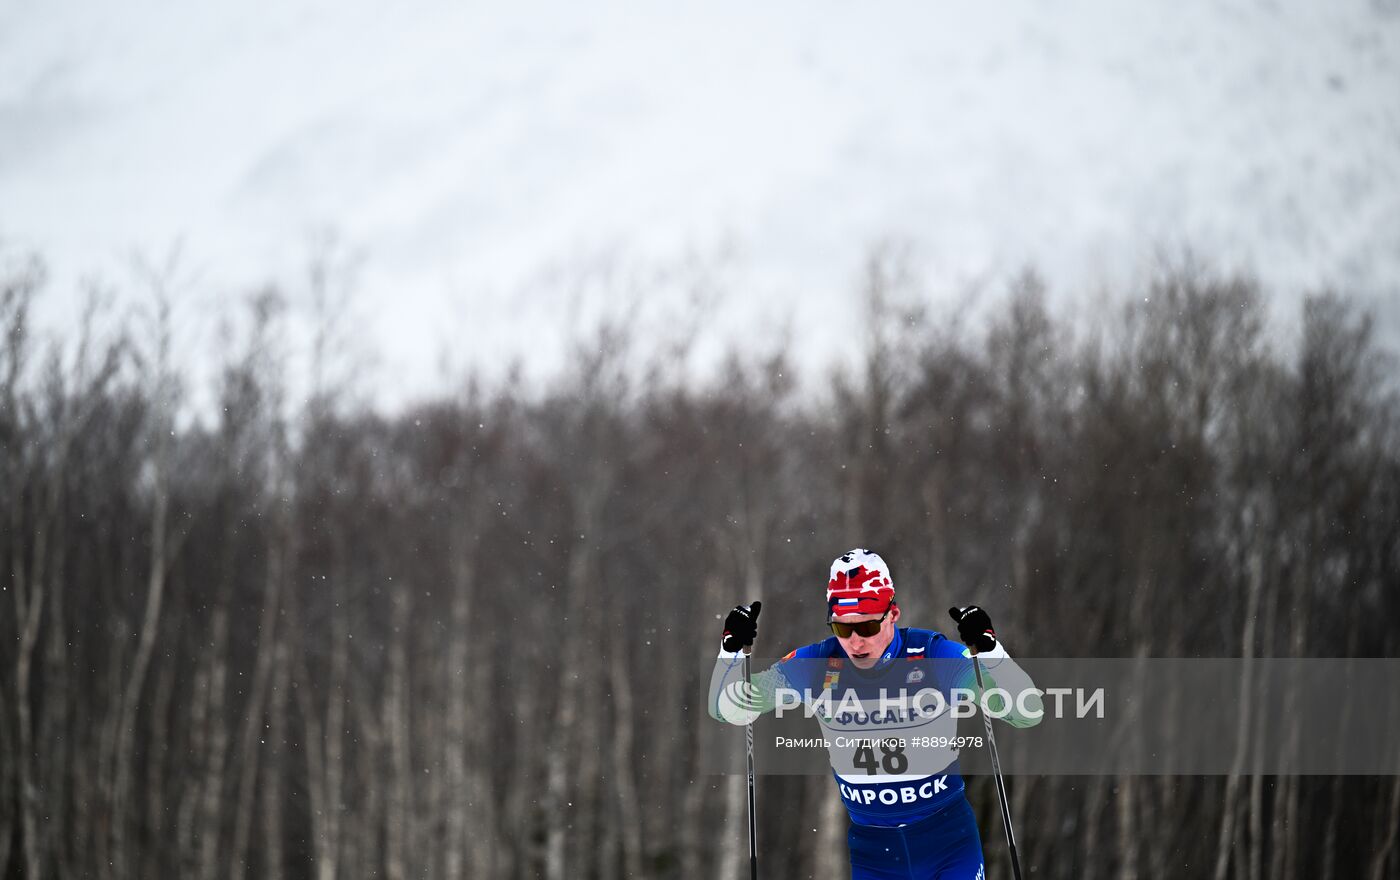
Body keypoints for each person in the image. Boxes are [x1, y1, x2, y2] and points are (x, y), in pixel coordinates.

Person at [709, 548, 1041, 880]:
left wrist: (990, 652)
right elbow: (728, 709)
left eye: (867, 627)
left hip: (948, 843)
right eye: (842, 629)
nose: (855, 642)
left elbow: (1026, 710)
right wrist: (730, 651)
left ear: (892, 614)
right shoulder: (815, 666)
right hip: (875, 854)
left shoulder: (933, 656)